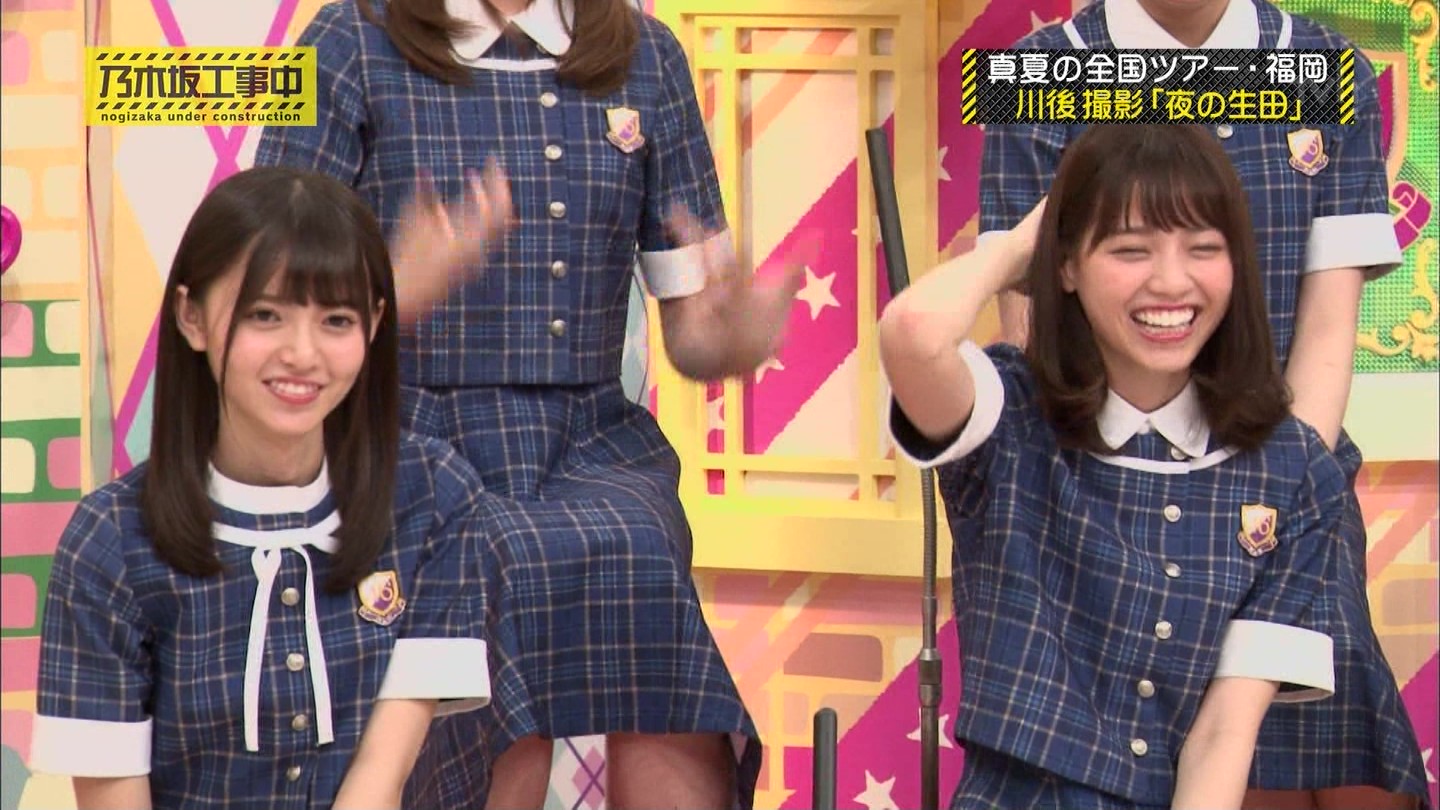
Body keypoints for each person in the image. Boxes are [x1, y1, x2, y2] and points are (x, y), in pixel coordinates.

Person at [253, 0, 802, 806]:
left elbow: (695, 338)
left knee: (642, 550)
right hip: (407, 438)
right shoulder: (345, 40)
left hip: (590, 441)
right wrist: (393, 292)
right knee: (487, 557)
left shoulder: (647, 55)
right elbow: (259, 310)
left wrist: (739, 338)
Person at [978, 1, 1430, 806]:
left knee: (1330, 762)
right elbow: (1031, 331)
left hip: (1285, 481)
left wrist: (1279, 488)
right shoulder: (1040, 73)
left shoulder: (1328, 70)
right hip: (1100, 492)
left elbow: (1329, 332)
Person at [881, 123, 1356, 809]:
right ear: (1066, 265)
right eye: (1130, 250)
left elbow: (1224, 733)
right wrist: (1020, 248)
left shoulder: (1295, 473)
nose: (1171, 282)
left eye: (1204, 249)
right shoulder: (1008, 415)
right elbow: (913, 334)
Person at [28, 166, 497, 810]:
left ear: (375, 321)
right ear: (192, 316)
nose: (302, 354)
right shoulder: (111, 541)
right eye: (265, 315)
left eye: (336, 320)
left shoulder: (434, 496)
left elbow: (377, 785)